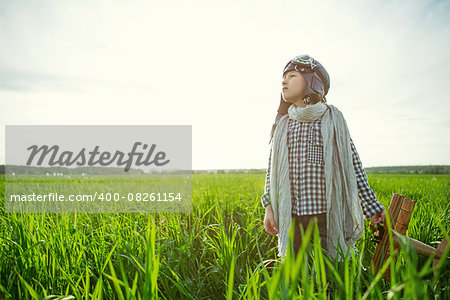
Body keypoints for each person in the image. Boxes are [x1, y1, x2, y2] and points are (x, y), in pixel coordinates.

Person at [261, 55, 386, 262]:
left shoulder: (332, 119)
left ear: (313, 82)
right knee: (294, 269)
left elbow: (352, 165)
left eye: (292, 75)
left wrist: (370, 205)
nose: (284, 81)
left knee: (332, 266)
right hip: (291, 214)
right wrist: (268, 207)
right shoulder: (283, 126)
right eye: (283, 77)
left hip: (327, 214)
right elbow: (271, 171)